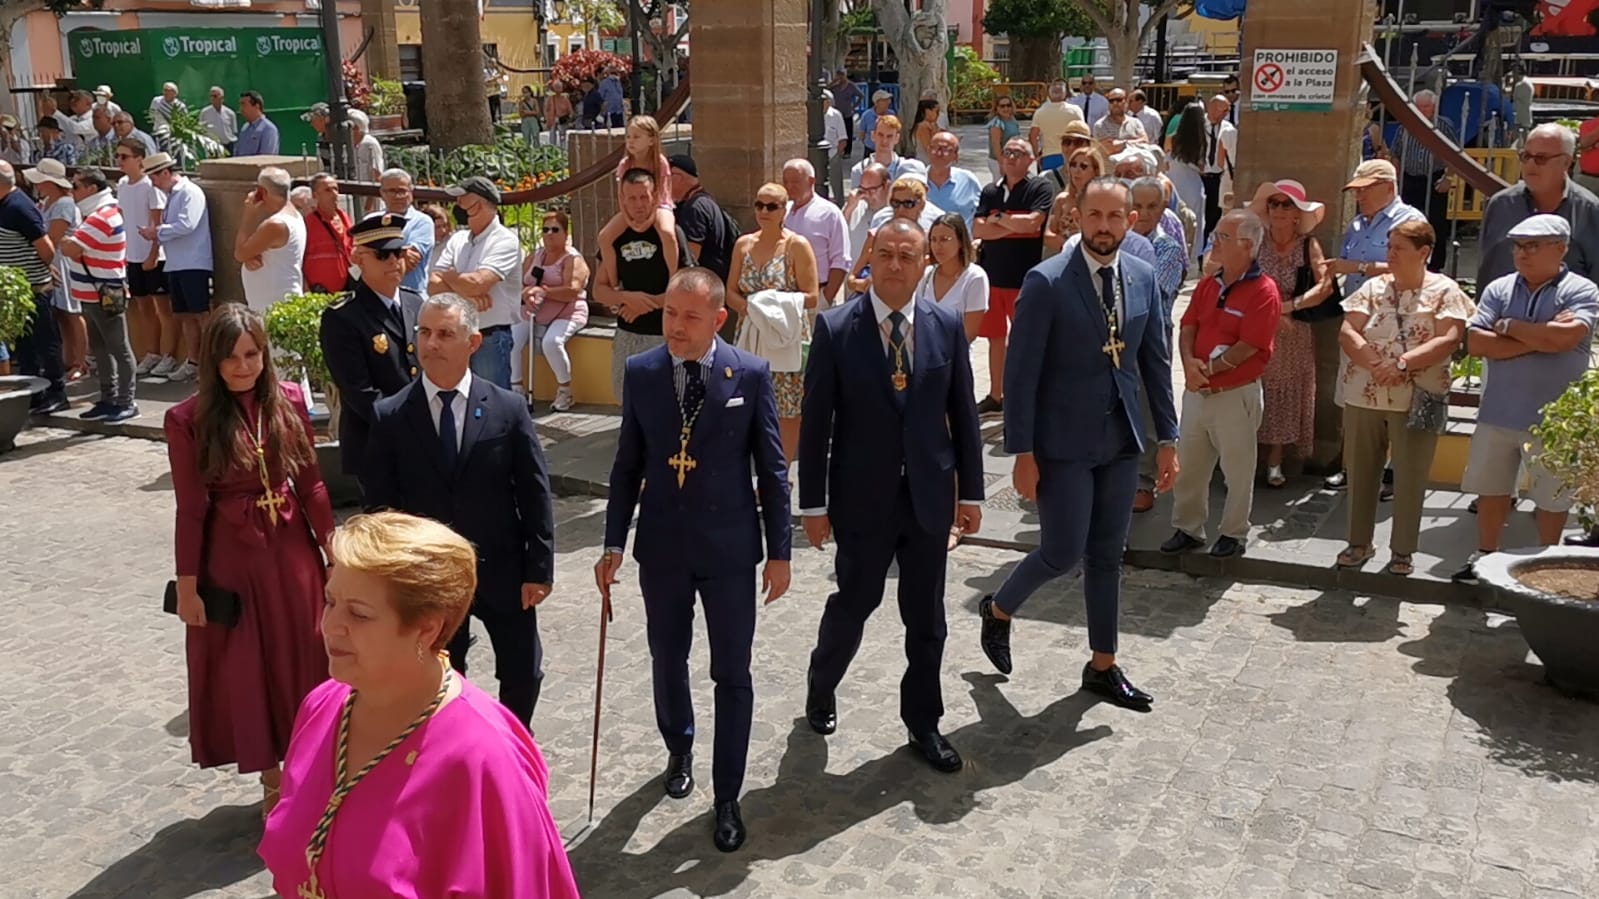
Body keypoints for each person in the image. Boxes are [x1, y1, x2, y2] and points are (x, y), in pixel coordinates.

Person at [258, 512, 581, 898]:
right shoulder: (321, 707)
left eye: (359, 613)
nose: (329, 626)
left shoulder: (484, 760)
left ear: (426, 629)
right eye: (330, 601)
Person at [597, 267, 791, 853]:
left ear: (718, 319)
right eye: (669, 314)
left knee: (732, 671)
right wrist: (612, 544)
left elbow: (772, 469)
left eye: (690, 317)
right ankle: (678, 746)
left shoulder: (749, 373)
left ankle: (727, 793)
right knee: (667, 655)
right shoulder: (643, 371)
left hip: (730, 549)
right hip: (663, 547)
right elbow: (627, 464)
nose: (676, 327)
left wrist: (779, 552)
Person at [976, 177, 1177, 710]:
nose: (1104, 226)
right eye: (1095, 215)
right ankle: (998, 609)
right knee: (1062, 551)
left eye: (1114, 216)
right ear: (1077, 218)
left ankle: (1102, 665)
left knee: (1108, 555)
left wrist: (1169, 437)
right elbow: (1020, 375)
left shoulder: (1142, 276)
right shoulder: (1046, 281)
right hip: (1062, 442)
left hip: (1121, 439)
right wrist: (1022, 453)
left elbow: (1155, 362)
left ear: (1130, 221)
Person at [800, 219, 985, 772]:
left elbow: (964, 415)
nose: (896, 265)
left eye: (908, 255)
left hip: (928, 497)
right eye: (885, 254)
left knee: (926, 618)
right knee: (855, 603)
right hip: (862, 499)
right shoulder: (837, 328)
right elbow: (816, 424)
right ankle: (822, 681)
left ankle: (923, 722)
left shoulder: (945, 325)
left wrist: (971, 495)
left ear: (924, 262)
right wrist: (813, 506)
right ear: (870, 259)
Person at [164, 305, 334, 818]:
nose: (244, 367)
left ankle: (318, 768)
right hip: (232, 561)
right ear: (212, 360)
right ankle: (273, 779)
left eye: (253, 354)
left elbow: (311, 484)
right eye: (232, 357)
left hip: (291, 551)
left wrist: (334, 552)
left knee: (307, 656)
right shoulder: (187, 419)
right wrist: (188, 586)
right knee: (251, 667)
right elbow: (191, 509)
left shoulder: (289, 400)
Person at [362, 292, 555, 728]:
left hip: (503, 571)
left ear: (473, 342)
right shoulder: (391, 415)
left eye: (446, 334)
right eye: (425, 333)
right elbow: (381, 508)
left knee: (523, 672)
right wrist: (392, 576)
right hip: (430, 577)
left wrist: (539, 569)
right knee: (441, 674)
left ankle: (510, 745)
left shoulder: (508, 409)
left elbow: (534, 491)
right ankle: (451, 745)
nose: (432, 344)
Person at [1455, 215, 1599, 583]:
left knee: (1552, 498)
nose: (1522, 253)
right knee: (1491, 490)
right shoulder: (1500, 288)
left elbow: (1565, 339)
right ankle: (1484, 558)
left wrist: (1508, 327)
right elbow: (1477, 343)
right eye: (1518, 246)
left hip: (1553, 422)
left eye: (1532, 246)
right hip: (1498, 412)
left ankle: (1547, 564)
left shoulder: (1581, 290)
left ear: (1560, 248)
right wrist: (1540, 338)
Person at [1336, 220, 1473, 576]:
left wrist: (1401, 363)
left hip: (1417, 397)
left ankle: (1403, 550)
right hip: (1365, 392)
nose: (1390, 254)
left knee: (1411, 475)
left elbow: (1449, 338)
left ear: (1423, 252)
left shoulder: (1445, 290)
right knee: (1360, 470)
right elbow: (1349, 330)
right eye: (1389, 246)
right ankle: (1358, 542)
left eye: (1399, 248)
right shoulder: (1373, 287)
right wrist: (1376, 364)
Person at [1161, 209, 1281, 559]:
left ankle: (1233, 533)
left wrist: (1208, 370)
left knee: (1237, 470)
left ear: (1247, 245)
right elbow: (1188, 325)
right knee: (1190, 466)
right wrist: (1189, 364)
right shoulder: (1208, 283)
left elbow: (1251, 345)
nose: (1214, 241)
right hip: (1198, 391)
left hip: (1235, 394)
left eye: (1223, 237)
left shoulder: (1264, 291)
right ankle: (1188, 527)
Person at [1322, 159, 1425, 491]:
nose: (1360, 196)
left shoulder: (1410, 221)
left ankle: (1393, 472)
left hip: (1397, 319)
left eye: (1365, 190)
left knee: (1395, 396)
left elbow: (1412, 269)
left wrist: (1359, 266)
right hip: (1359, 319)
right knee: (1353, 393)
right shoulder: (1355, 225)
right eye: (1357, 190)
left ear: (1388, 187)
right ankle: (1352, 465)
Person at [319, 216, 422, 482]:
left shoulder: (415, 303)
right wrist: (411, 423)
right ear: (359, 259)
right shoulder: (343, 317)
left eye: (398, 253)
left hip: (423, 438)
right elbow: (359, 392)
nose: (393, 261)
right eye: (382, 254)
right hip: (377, 444)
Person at [1249, 179, 1332, 489]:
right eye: (1274, 203)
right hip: (1258, 326)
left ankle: (1275, 461)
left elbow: (1325, 286)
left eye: (1287, 204)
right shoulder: (1257, 241)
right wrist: (1269, 311)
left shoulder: (1309, 245)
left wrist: (1289, 307)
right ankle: (1246, 460)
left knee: (1285, 393)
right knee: (1254, 391)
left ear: (1298, 213)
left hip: (1294, 331)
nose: (1280, 210)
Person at [593, 168, 692, 402]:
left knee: (667, 402)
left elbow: (686, 289)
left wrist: (645, 305)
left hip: (665, 335)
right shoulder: (616, 238)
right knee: (626, 399)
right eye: (632, 198)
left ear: (655, 196)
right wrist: (627, 298)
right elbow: (599, 290)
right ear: (623, 200)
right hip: (628, 335)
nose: (639, 205)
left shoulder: (671, 234)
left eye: (644, 197)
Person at [972, 138, 1054, 415]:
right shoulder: (990, 190)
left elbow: (1033, 224)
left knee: (1026, 342)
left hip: (1024, 279)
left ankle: (1026, 396)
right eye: (1007, 152)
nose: (1010, 157)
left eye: (1018, 153)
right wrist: (1013, 224)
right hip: (993, 278)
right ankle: (996, 395)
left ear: (1031, 160)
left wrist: (997, 219)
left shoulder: (1040, 187)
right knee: (995, 339)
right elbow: (978, 229)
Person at [1477, 124, 1598, 287]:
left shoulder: (1589, 210)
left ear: (1566, 162)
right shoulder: (1501, 205)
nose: (1531, 164)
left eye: (1541, 158)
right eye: (1526, 156)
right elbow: (1487, 273)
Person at [429, 176, 522, 389]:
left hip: (489, 338)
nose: (457, 204)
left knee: (491, 403)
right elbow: (433, 285)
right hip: (456, 336)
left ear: (478, 204)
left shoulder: (505, 240)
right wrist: (467, 297)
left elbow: (478, 284)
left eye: (462, 199)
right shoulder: (458, 239)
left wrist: (449, 276)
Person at [60, 168, 137, 421]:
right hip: (92, 294)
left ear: (92, 189)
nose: (72, 191)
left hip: (105, 295)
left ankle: (126, 401)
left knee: (119, 349)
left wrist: (68, 241)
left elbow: (71, 249)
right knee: (100, 349)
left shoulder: (101, 217)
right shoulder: (94, 215)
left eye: (76, 186)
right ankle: (108, 399)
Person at [0, 160, 66, 413]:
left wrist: (44, 271)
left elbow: (46, 249)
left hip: (34, 288)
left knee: (45, 342)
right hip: (16, 292)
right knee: (25, 347)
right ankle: (32, 394)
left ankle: (57, 392)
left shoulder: (20, 207)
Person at [142, 152, 211, 383]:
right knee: (184, 315)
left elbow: (187, 224)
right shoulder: (173, 195)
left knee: (201, 315)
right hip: (177, 263)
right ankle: (193, 362)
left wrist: (157, 232)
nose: (153, 183)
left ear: (165, 172)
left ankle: (211, 365)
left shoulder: (190, 192)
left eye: (154, 177)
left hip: (194, 263)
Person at [116, 139, 176, 378]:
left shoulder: (150, 187)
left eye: (124, 156)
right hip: (132, 257)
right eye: (118, 156)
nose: (119, 161)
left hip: (155, 258)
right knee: (143, 308)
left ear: (139, 159)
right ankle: (152, 353)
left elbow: (157, 223)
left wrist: (153, 254)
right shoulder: (122, 185)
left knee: (164, 310)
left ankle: (169, 355)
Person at [596, 116, 679, 287]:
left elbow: (661, 193)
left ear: (651, 140)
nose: (630, 141)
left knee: (667, 232)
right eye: (628, 136)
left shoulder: (660, 162)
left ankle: (674, 278)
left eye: (636, 137)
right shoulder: (625, 164)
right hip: (631, 208)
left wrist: (649, 220)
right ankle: (614, 282)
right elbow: (621, 196)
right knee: (604, 238)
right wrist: (629, 220)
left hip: (659, 206)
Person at [521, 210, 589, 411]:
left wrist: (544, 292)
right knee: (512, 339)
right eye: (545, 230)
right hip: (533, 311)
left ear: (566, 233)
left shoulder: (573, 259)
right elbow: (519, 283)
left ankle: (565, 391)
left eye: (555, 229)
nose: (549, 234)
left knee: (552, 342)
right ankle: (516, 388)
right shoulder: (535, 256)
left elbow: (572, 291)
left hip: (568, 311)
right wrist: (526, 294)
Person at [26, 158, 85, 382]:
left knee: (72, 313)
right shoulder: (46, 202)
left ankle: (80, 361)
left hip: (63, 263)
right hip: (50, 262)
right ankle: (67, 359)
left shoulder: (64, 205)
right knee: (60, 314)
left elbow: (52, 237)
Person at [1389, 89, 1458, 271]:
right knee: (1406, 223)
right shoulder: (1405, 126)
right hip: (1409, 179)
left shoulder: (1443, 127)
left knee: (1436, 224)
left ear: (1434, 108)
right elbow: (1395, 153)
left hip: (1434, 179)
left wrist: (1448, 178)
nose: (1421, 111)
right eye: (1418, 107)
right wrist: (1396, 179)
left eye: (1426, 107)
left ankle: (1435, 266)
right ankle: (1407, 261)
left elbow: (1455, 155)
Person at [234, 167, 305, 313]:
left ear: (262, 192)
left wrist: (248, 215)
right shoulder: (293, 216)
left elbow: (240, 253)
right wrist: (249, 256)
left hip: (275, 307)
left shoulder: (276, 224)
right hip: (274, 304)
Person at [781, 158, 850, 304]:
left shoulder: (829, 213)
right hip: (785, 297)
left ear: (811, 181)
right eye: (786, 182)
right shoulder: (782, 211)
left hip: (817, 295)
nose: (789, 186)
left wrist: (826, 298)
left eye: (795, 182)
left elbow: (841, 260)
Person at [915, 212, 988, 343]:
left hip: (954, 353)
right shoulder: (926, 274)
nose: (937, 246)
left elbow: (969, 333)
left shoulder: (975, 277)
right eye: (933, 240)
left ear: (960, 241)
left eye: (945, 239)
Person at [669, 154, 737, 282]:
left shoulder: (694, 208)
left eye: (666, 177)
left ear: (678, 177)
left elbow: (691, 256)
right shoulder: (704, 202)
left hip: (704, 283)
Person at [371, 168, 435, 295]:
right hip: (377, 296)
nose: (397, 196)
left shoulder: (422, 222)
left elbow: (409, 263)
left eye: (402, 191)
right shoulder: (371, 220)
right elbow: (358, 257)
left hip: (412, 296)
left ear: (411, 192)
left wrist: (374, 255)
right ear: (382, 193)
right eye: (392, 191)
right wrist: (401, 252)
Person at [1044, 146, 1109, 253]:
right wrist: (1071, 247)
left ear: (1096, 171)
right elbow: (1047, 235)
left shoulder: (1104, 201)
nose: (1076, 170)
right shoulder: (1062, 199)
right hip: (1061, 256)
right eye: (1073, 165)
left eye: (1083, 166)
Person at [1167, 103, 1209, 263]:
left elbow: (1166, 158)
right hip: (1193, 184)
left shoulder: (1172, 138)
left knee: (1176, 217)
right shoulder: (1202, 141)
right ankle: (1191, 257)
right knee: (1194, 222)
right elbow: (1203, 167)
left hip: (1175, 179)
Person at [301, 173, 352, 295]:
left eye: (335, 189)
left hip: (349, 289)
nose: (334, 194)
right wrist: (306, 289)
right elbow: (299, 258)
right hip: (320, 293)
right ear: (315, 195)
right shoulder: (308, 223)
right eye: (328, 190)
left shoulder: (345, 218)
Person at [850, 113, 928, 188]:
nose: (884, 141)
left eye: (889, 136)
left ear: (897, 138)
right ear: (873, 135)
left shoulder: (908, 169)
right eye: (880, 135)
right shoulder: (859, 170)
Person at [924, 131, 982, 227]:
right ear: (928, 151)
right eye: (934, 148)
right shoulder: (917, 180)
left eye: (945, 149)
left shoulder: (968, 180)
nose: (939, 153)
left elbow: (982, 214)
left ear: (956, 156)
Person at [1200, 95, 1237, 245]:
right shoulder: (1198, 124)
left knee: (1213, 217)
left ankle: (1207, 248)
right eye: (1223, 110)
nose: (1226, 114)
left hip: (1217, 178)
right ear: (1212, 108)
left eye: (1228, 111)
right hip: (1199, 176)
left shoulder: (1228, 129)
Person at [1030, 79, 1085, 172]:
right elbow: (1083, 133)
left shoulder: (1040, 112)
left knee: (1049, 180)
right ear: (1066, 94)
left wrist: (1036, 155)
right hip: (1071, 155)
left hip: (1049, 156)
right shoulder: (1075, 111)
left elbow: (1033, 136)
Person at [842, 163, 890, 262]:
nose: (867, 196)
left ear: (887, 186)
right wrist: (849, 209)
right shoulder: (853, 207)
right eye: (863, 190)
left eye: (872, 190)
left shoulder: (897, 210)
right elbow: (836, 234)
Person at [985, 99, 1022, 183]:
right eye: (1002, 106)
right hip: (998, 161)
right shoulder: (997, 123)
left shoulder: (1012, 120)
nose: (1006, 108)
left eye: (1008, 105)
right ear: (996, 108)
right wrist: (1002, 164)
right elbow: (996, 145)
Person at [235, 91, 280, 157]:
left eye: (244, 105)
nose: (241, 109)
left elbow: (266, 158)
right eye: (240, 105)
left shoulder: (268, 129)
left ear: (257, 106)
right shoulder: (244, 128)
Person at [822, 88, 849, 200]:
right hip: (817, 155)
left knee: (837, 184)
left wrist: (837, 154)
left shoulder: (836, 115)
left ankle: (839, 204)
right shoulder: (812, 113)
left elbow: (843, 138)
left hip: (833, 153)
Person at [199, 87, 237, 153]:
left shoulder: (230, 113)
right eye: (211, 96)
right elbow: (201, 130)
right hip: (212, 146)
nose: (212, 98)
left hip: (227, 146)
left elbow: (233, 131)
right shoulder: (204, 112)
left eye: (215, 96)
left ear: (222, 98)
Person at [544, 79, 573, 147]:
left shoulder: (565, 99)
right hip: (553, 120)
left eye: (559, 87)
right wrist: (547, 119)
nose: (558, 90)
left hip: (562, 120)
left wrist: (569, 119)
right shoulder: (550, 99)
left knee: (562, 135)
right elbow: (546, 109)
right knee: (552, 135)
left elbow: (570, 111)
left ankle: (563, 148)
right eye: (556, 87)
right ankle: (552, 148)